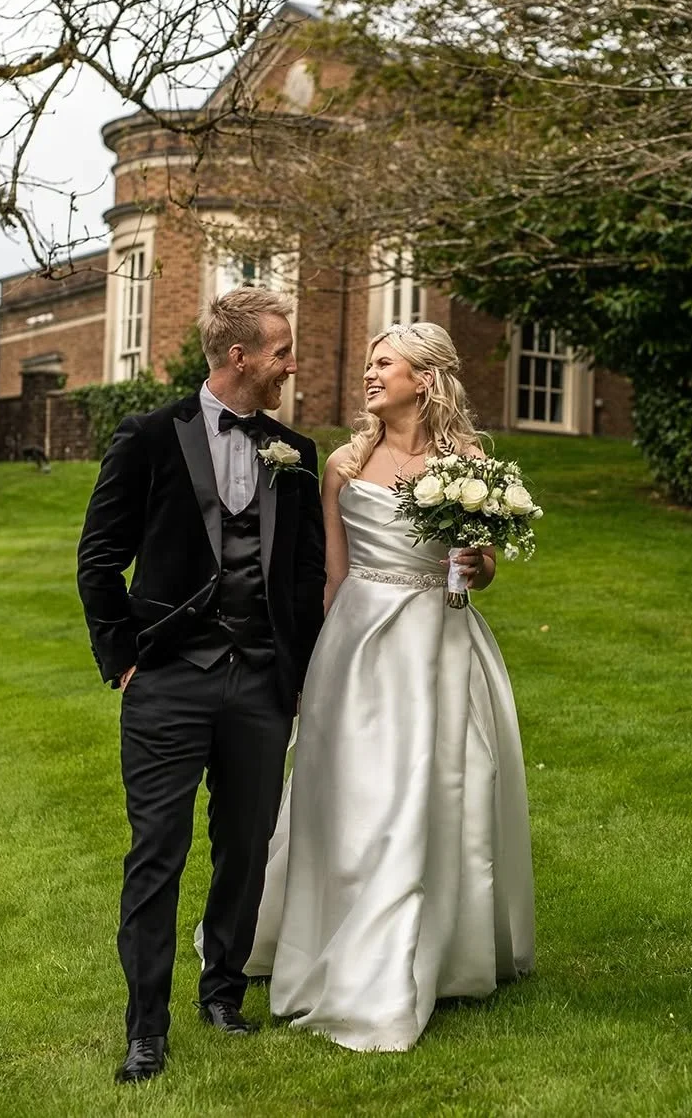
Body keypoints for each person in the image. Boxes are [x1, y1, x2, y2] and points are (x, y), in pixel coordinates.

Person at [248, 321, 535, 1051]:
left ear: (424, 379)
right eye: (370, 365)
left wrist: (475, 566)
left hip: (438, 640)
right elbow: (333, 577)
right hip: (357, 641)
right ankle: (327, 932)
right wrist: (314, 662)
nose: (370, 375)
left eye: (384, 365)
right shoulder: (344, 464)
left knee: (436, 786)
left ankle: (431, 951)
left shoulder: (469, 464)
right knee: (352, 789)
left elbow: (484, 566)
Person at [76, 288, 325, 1085]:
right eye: (282, 351)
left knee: (246, 847)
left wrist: (296, 672)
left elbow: (306, 574)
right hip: (169, 680)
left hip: (260, 684)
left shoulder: (296, 451)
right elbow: (99, 557)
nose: (292, 364)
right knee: (157, 852)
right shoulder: (150, 436)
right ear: (240, 356)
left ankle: (222, 991)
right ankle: (145, 1029)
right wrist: (122, 657)